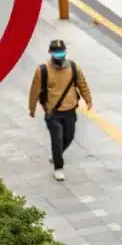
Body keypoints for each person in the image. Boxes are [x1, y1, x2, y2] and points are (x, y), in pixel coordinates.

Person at [28, 39, 93, 182]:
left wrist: (88, 100)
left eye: (62, 52)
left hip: (70, 110)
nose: (60, 55)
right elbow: (35, 91)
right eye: (57, 52)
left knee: (69, 136)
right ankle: (58, 167)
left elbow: (82, 84)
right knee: (56, 139)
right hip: (53, 112)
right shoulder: (42, 70)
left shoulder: (74, 67)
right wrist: (32, 108)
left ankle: (56, 154)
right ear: (51, 53)